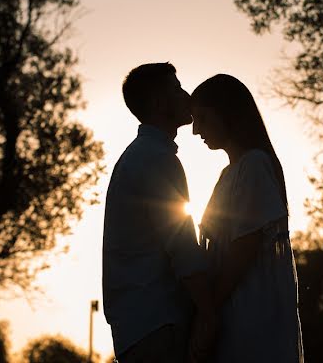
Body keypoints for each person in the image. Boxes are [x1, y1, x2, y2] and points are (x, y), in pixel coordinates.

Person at [102, 63, 216, 363]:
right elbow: (181, 247)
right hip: (158, 325)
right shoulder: (156, 160)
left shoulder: (138, 157)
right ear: (157, 102)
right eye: (176, 89)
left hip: (139, 327)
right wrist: (210, 313)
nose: (186, 95)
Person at [190, 74, 304, 362]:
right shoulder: (229, 173)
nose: (195, 130)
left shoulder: (254, 165)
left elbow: (245, 246)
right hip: (234, 310)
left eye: (201, 118)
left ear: (225, 112)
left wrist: (209, 308)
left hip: (250, 312)